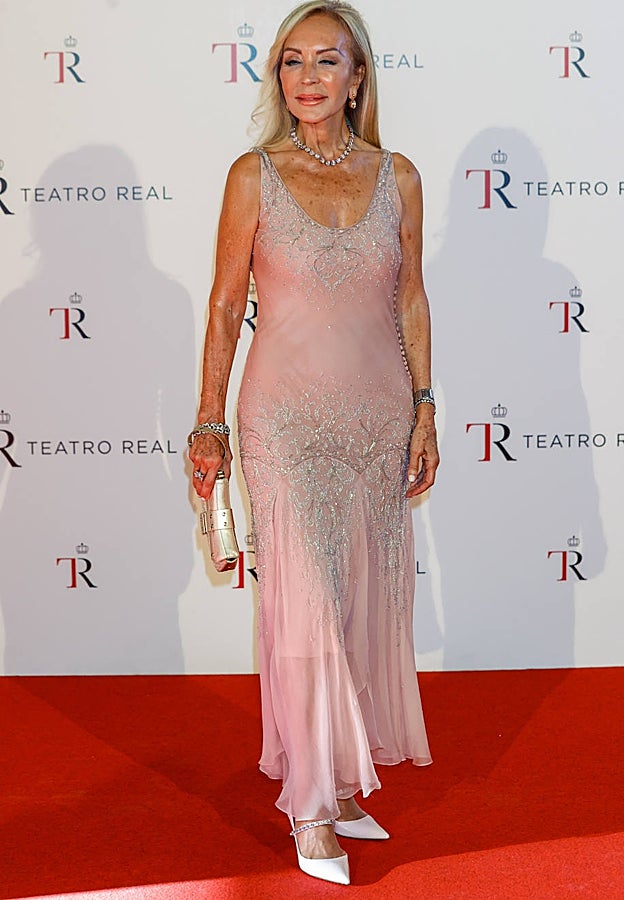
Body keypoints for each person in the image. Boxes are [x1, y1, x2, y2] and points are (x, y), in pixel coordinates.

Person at [189, 0, 439, 885]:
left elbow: (409, 300)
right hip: (283, 420)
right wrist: (210, 417)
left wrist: (426, 409)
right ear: (278, 77)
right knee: (302, 600)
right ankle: (310, 810)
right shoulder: (252, 175)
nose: (307, 78)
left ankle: (336, 773)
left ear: (358, 76)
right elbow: (225, 305)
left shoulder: (397, 174)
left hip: (375, 417)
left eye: (326, 62)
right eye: (292, 62)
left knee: (356, 599)